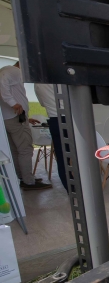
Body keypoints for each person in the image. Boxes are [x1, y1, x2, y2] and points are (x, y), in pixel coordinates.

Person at [0, 62, 52, 190]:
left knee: (15, 150)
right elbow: (3, 82)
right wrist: (13, 103)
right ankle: (29, 181)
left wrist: (27, 118)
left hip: (8, 119)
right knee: (25, 150)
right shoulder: (13, 71)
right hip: (15, 119)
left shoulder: (8, 71)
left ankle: (23, 177)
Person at [34, 83, 67, 191]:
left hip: (54, 120)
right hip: (71, 117)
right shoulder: (62, 76)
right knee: (82, 156)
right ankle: (86, 190)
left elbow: (43, 103)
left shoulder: (39, 82)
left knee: (62, 158)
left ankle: (71, 190)